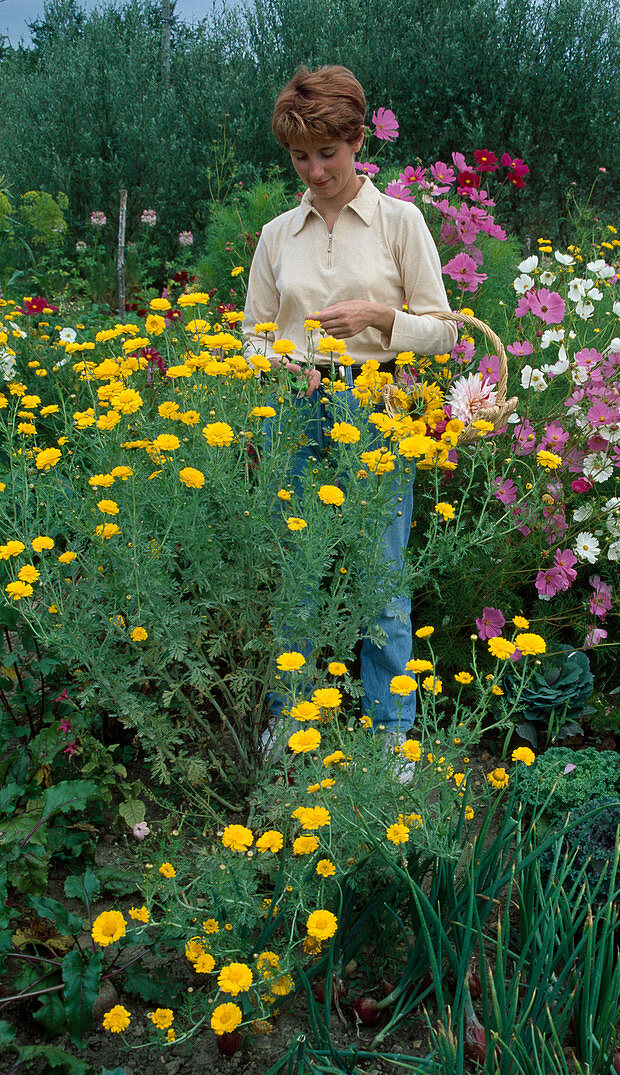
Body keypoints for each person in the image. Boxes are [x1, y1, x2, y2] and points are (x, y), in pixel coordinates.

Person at [243, 64, 456, 752]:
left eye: (326, 153)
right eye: (300, 156)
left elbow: (445, 329)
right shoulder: (278, 234)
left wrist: (381, 317)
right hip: (297, 410)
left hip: (379, 406)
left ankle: (390, 732)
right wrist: (281, 364)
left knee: (381, 575)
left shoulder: (400, 223)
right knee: (298, 570)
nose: (313, 170)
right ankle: (290, 716)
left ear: (357, 140)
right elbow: (252, 336)